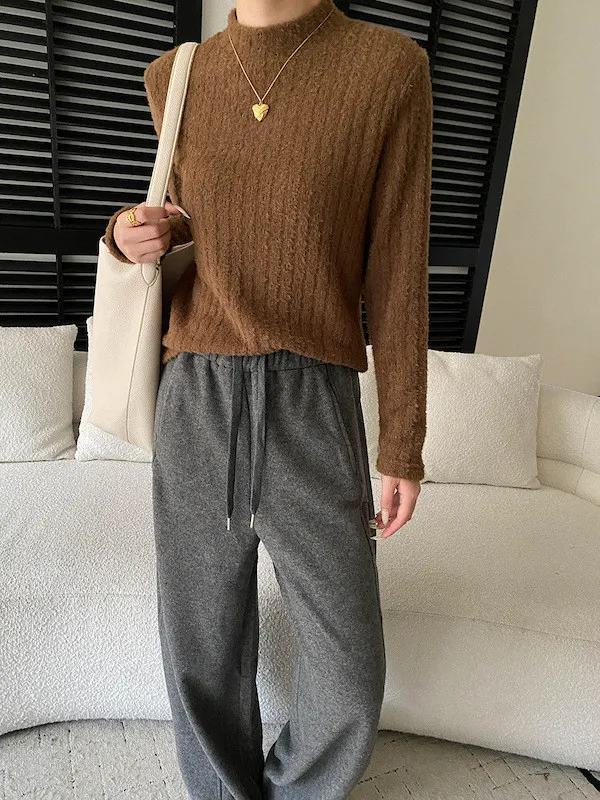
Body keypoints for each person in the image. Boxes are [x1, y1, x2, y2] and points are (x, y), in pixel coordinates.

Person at [102, 0, 433, 796]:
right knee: (201, 647)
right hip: (197, 397)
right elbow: (194, 229)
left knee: (349, 670)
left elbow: (398, 268)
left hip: (314, 402)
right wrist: (125, 233)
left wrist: (402, 441)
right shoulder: (176, 76)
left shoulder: (390, 69)